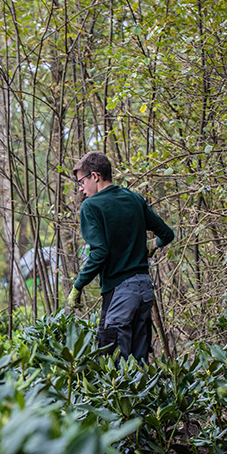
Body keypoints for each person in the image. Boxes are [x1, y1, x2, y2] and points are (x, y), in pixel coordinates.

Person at [67, 151, 175, 363]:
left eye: (81, 181)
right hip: (144, 290)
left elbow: (100, 252)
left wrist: (78, 286)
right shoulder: (134, 198)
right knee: (140, 364)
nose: (81, 189)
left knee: (113, 363)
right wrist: (152, 245)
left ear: (95, 176)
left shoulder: (91, 206)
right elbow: (167, 234)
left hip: (120, 293)